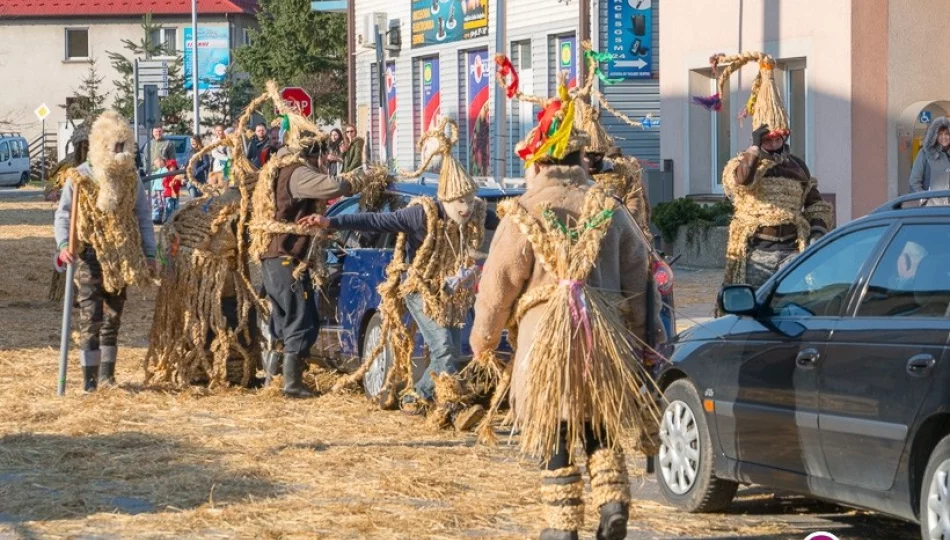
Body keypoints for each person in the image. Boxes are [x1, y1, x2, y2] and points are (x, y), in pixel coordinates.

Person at [471, 69, 663, 540]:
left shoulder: (523, 213)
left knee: (554, 428)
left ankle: (561, 528)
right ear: (581, 160)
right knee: (601, 420)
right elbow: (642, 282)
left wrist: (483, 340)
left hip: (545, 347)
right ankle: (613, 502)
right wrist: (643, 343)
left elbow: (496, 286)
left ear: (537, 163)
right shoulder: (610, 209)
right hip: (606, 340)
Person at [320, 118, 489, 430]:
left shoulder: (476, 214)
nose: (464, 208)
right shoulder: (419, 214)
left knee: (449, 350)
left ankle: (421, 400)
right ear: (445, 199)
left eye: (468, 200)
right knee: (443, 348)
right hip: (419, 286)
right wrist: (332, 224)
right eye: (458, 201)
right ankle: (444, 405)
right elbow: (374, 222)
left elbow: (505, 224)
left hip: (451, 291)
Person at [248, 125, 380, 398]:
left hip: (274, 256)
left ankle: (275, 378)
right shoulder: (296, 172)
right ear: (313, 153)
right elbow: (332, 186)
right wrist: (360, 180)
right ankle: (291, 384)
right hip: (287, 256)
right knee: (301, 318)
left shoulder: (277, 168)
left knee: (282, 318)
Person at [698, 52, 833, 289]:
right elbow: (744, 182)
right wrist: (754, 150)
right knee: (752, 305)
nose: (772, 145)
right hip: (756, 251)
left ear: (784, 137)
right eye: (766, 141)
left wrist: (817, 231)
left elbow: (815, 204)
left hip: (792, 248)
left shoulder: (797, 166)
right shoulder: (741, 163)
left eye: (776, 140)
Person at [54, 111, 156, 392]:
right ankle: (89, 383)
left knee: (113, 317)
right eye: (116, 147)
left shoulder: (130, 179)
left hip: (121, 255)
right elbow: (64, 216)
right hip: (89, 256)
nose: (121, 152)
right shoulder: (80, 178)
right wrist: (64, 245)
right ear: (102, 145)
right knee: (91, 318)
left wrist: (150, 254)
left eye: (125, 146)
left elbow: (143, 218)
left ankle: (107, 378)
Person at [909, 117, 950, 205]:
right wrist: (923, 198)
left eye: (947, 134)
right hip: (932, 207)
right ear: (934, 136)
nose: (944, 137)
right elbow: (914, 181)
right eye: (940, 134)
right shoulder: (925, 153)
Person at [151, 157, 168, 224]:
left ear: (161, 162)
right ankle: (156, 218)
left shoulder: (165, 170)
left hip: (162, 189)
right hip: (156, 189)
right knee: (156, 204)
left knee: (162, 204)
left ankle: (161, 218)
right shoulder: (157, 171)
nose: (156, 165)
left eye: (156, 163)